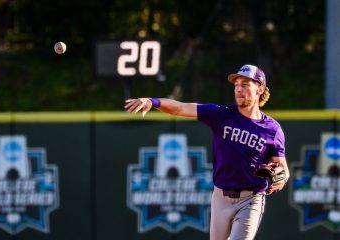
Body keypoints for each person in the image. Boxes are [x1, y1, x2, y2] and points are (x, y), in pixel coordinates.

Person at [124, 64, 290, 240]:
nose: (238, 89)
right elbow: (180, 108)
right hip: (220, 197)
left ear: (260, 89)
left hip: (251, 199)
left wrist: (282, 177)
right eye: (236, 84)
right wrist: (152, 101)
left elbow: (282, 167)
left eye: (245, 84)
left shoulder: (272, 129)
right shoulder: (221, 114)